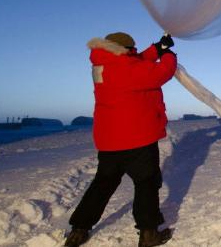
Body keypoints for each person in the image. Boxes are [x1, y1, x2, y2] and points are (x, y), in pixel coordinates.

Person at [64, 32, 177, 247]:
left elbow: (134, 64)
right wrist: (169, 55)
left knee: (102, 185)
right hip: (138, 140)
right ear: (125, 49)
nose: (134, 52)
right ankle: (149, 234)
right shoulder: (129, 68)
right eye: (132, 49)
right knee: (146, 184)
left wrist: (157, 49)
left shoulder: (102, 65)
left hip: (109, 142)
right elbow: (162, 72)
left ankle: (79, 230)